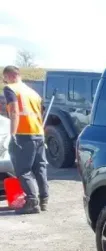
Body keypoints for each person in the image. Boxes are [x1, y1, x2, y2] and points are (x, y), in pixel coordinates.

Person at [2, 65, 48, 214]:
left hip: (23, 134)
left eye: (4, 78)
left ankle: (31, 202)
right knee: (40, 168)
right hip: (38, 133)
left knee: (24, 170)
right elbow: (41, 111)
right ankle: (44, 200)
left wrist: (13, 134)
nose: (4, 81)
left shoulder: (11, 88)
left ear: (9, 76)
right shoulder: (32, 92)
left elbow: (14, 111)